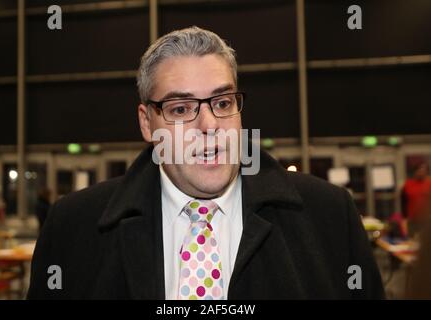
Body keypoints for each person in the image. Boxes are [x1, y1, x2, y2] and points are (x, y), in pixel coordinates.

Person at [27, 26, 384, 299]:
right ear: (146, 123)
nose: (209, 125)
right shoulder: (73, 228)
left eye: (223, 103)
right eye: (181, 109)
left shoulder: (330, 217)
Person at [401, 162, 431, 237]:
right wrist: (404, 218)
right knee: (412, 241)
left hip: (427, 220)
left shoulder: (429, 184)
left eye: (424, 170)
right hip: (412, 220)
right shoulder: (408, 184)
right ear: (415, 171)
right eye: (419, 170)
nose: (421, 172)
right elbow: (403, 202)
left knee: (426, 243)